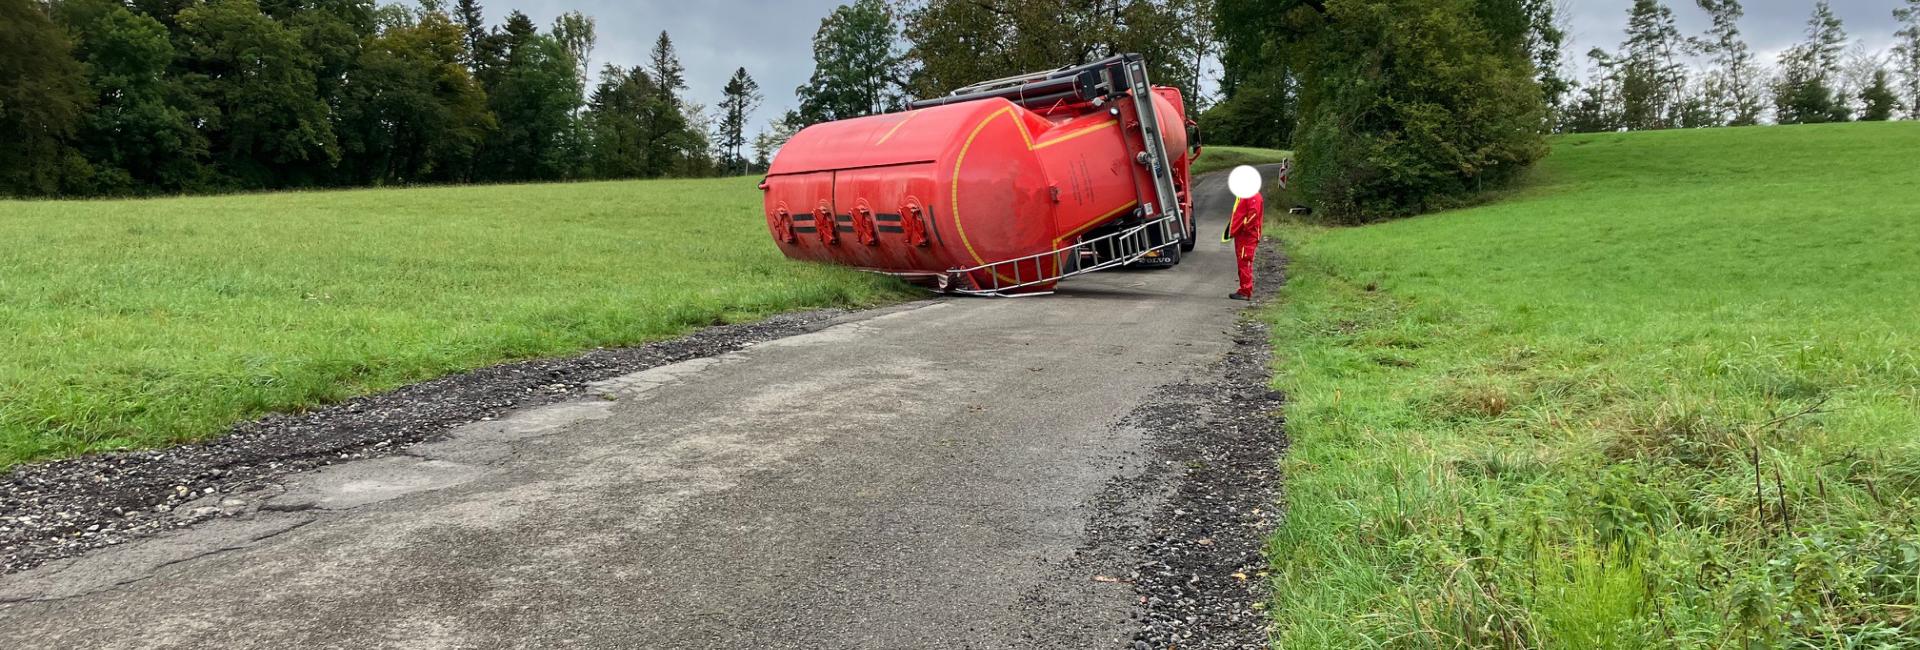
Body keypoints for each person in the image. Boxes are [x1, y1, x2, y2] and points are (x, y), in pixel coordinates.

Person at [1224, 165, 1266, 300]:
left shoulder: (1252, 195)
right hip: (1242, 235)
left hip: (1247, 236)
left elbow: (1253, 215)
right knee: (1242, 262)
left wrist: (1244, 229)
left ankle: (1245, 291)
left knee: (1245, 262)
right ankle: (1243, 289)